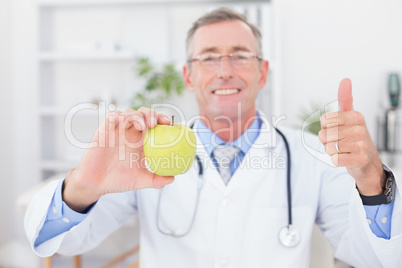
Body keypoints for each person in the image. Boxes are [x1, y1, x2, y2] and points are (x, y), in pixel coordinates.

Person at [25, 7, 401, 267]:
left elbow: (375, 257)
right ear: (188, 76)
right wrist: (83, 187)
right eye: (208, 57)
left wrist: (372, 180)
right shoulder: (143, 156)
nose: (224, 70)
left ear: (262, 71)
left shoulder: (310, 157)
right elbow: (63, 243)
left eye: (240, 55)